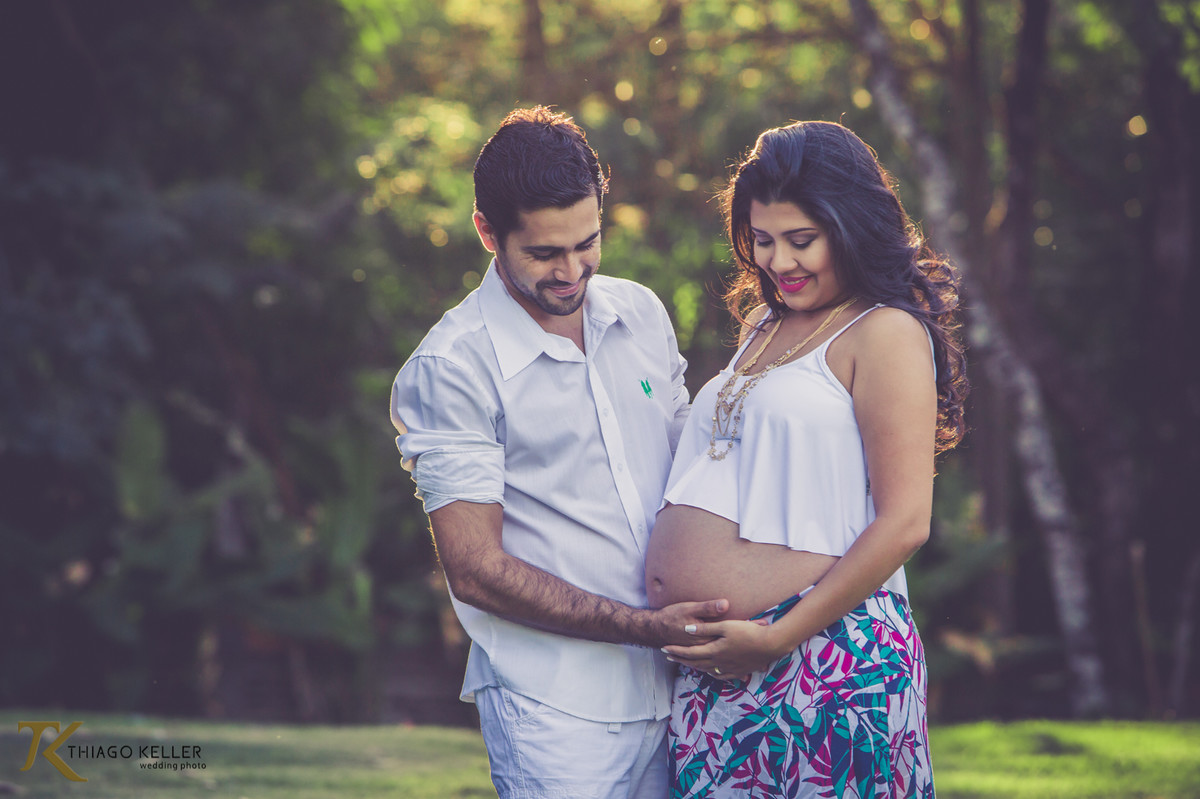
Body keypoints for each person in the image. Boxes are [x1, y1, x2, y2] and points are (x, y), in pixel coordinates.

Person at [389, 105, 729, 799]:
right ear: (488, 231)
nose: (572, 271)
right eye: (545, 253)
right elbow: (476, 570)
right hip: (554, 712)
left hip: (685, 694)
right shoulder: (451, 367)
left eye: (587, 242)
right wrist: (644, 627)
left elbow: (692, 476)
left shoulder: (640, 313)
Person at [645, 121, 969, 798]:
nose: (779, 262)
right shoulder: (765, 323)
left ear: (850, 226)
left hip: (830, 658)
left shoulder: (883, 331)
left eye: (801, 240)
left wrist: (777, 635)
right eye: (762, 241)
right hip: (725, 671)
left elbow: (907, 520)